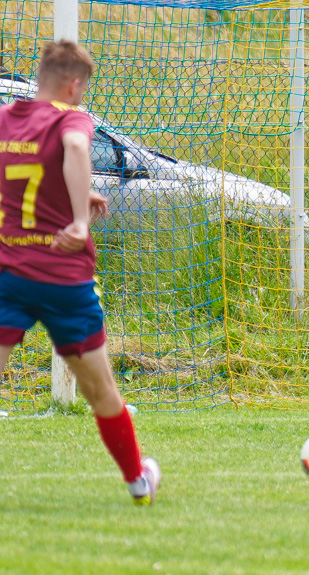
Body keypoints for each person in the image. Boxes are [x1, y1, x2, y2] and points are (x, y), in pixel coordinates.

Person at [0, 41, 161, 505]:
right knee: (100, 390)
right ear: (75, 85)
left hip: (10, 274)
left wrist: (65, 198)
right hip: (64, 281)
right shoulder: (72, 118)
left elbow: (27, 170)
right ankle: (137, 481)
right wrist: (75, 215)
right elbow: (72, 148)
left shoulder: (9, 117)